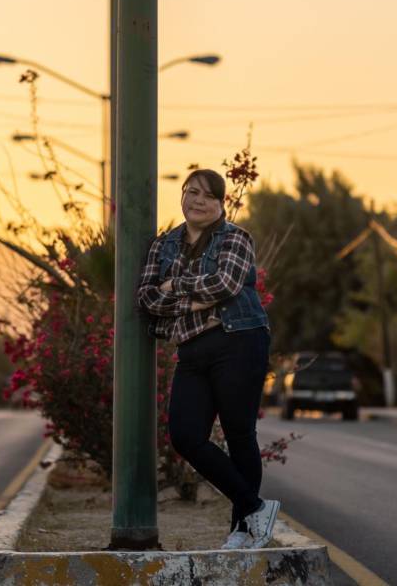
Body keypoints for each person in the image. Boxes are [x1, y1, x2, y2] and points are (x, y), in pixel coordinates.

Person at [137, 168, 280, 551]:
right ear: (182, 195)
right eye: (192, 192)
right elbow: (147, 298)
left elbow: (226, 284)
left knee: (239, 436)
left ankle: (242, 531)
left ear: (221, 204)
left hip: (239, 342)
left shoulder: (236, 238)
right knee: (185, 436)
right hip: (193, 349)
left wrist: (176, 288)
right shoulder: (162, 245)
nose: (198, 201)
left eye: (209, 197)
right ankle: (255, 507)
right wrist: (197, 301)